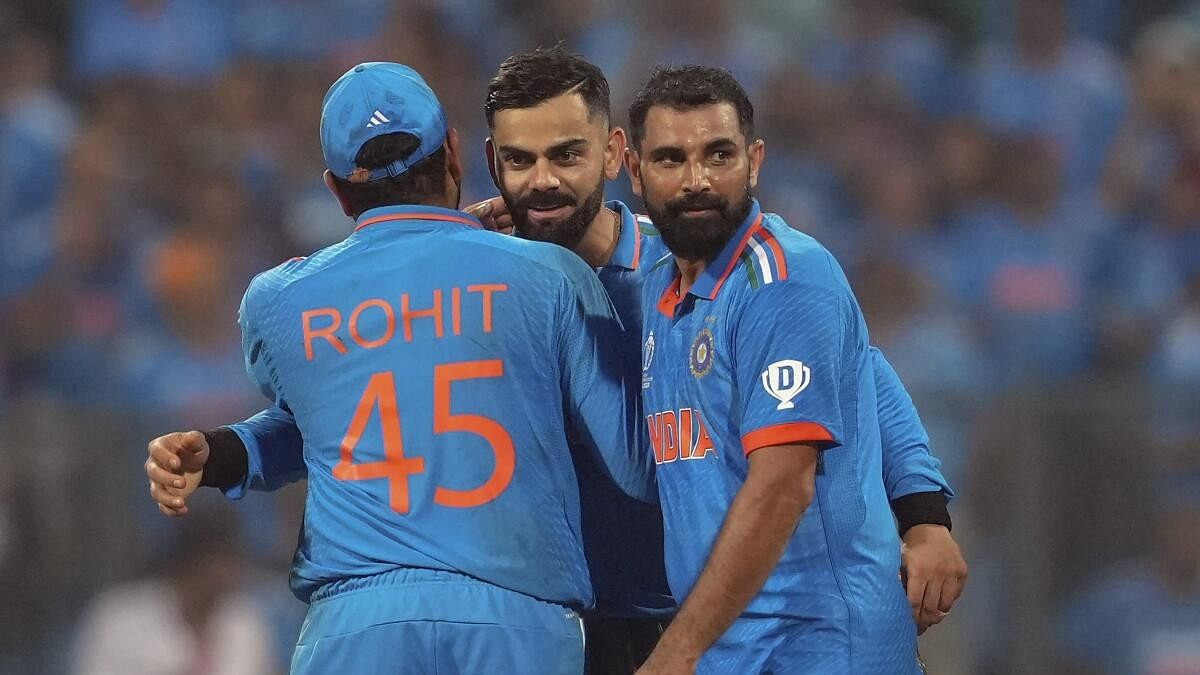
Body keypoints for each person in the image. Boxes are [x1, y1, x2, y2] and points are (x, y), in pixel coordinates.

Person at [146, 61, 654, 674]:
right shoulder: (549, 276)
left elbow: (327, 423)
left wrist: (226, 453)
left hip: (358, 629)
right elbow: (632, 464)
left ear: (336, 190)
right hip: (518, 623)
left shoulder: (278, 301)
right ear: (458, 158)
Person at [628, 64, 936, 674]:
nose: (697, 180)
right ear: (635, 172)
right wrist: (927, 514)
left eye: (719, 155)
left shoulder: (784, 279)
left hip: (822, 643)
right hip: (731, 648)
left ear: (756, 159)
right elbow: (865, 366)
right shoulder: (659, 290)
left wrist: (675, 654)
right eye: (670, 159)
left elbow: (781, 487)